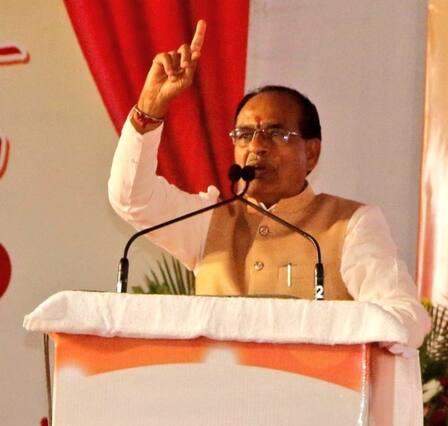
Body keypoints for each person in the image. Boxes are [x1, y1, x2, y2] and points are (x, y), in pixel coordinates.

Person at [108, 20, 430, 350]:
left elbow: (403, 316)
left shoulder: (350, 224)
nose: (257, 146)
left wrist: (320, 332)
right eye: (244, 135)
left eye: (277, 134)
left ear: (312, 152)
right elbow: (131, 198)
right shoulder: (208, 220)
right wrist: (149, 108)